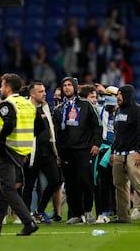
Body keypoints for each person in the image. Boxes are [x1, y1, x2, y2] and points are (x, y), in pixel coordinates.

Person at [0, 73, 38, 236]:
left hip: (8, 151)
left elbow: (9, 124)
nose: (0, 88)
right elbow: (39, 127)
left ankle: (28, 222)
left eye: (2, 85)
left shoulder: (7, 104)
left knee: (8, 189)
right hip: (22, 152)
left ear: (7, 87)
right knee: (6, 189)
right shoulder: (28, 105)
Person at [53, 77, 102, 225]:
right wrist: (58, 154)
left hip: (84, 149)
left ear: (74, 87)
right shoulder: (58, 109)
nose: (67, 88)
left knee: (85, 181)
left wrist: (96, 144)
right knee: (71, 184)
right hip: (66, 152)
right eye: (64, 85)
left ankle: (87, 210)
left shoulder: (86, 104)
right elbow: (56, 133)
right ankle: (77, 214)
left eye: (69, 85)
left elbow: (97, 125)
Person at [111, 84, 140, 223]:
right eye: (118, 94)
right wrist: (113, 151)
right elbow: (117, 134)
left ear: (128, 95)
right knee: (119, 185)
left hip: (134, 153)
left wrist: (139, 151)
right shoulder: (118, 111)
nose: (118, 97)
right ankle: (123, 216)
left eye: (121, 94)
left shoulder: (138, 111)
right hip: (119, 153)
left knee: (138, 183)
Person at [23, 82, 60, 223]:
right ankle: (25, 215)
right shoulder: (25, 108)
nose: (44, 93)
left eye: (44, 91)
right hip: (31, 153)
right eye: (40, 91)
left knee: (55, 181)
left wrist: (55, 152)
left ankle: (39, 210)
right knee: (29, 185)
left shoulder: (45, 108)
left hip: (47, 153)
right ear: (32, 94)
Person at [94, 91, 118, 223]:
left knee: (116, 183)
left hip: (116, 148)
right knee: (103, 181)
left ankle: (117, 210)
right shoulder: (100, 111)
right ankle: (104, 211)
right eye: (108, 105)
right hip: (104, 148)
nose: (110, 108)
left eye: (112, 106)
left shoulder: (120, 113)